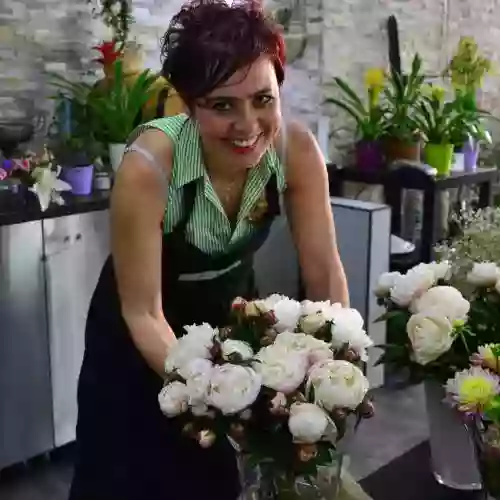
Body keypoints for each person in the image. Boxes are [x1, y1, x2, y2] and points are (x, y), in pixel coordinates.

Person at [69, 1, 349, 499]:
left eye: (263, 98)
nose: (248, 124)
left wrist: (333, 373)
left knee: (213, 483)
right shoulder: (149, 166)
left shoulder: (295, 154)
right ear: (187, 103)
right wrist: (220, 397)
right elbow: (142, 311)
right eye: (223, 105)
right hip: (136, 344)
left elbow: (325, 275)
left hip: (227, 330)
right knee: (122, 478)